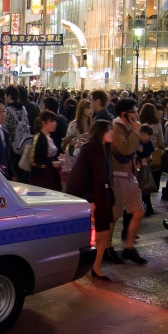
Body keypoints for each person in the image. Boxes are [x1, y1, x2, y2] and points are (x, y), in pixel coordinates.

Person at [66, 119, 115, 280]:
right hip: (93, 198)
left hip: (103, 197)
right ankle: (80, 267)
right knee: (90, 235)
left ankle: (96, 267)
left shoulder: (106, 148)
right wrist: (89, 199)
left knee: (104, 233)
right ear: (101, 132)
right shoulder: (89, 150)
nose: (112, 133)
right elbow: (80, 176)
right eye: (109, 130)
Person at [103, 99, 147, 265]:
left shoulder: (129, 127)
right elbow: (125, 148)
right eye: (134, 111)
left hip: (129, 175)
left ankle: (129, 247)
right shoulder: (115, 128)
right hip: (117, 175)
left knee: (138, 210)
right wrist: (136, 133)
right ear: (124, 114)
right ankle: (107, 248)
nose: (136, 114)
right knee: (114, 216)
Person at [29, 111, 62, 191]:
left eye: (55, 121)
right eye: (52, 121)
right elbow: (34, 160)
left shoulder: (48, 137)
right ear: (43, 123)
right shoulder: (39, 137)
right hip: (42, 178)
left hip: (51, 176)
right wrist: (51, 164)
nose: (55, 124)